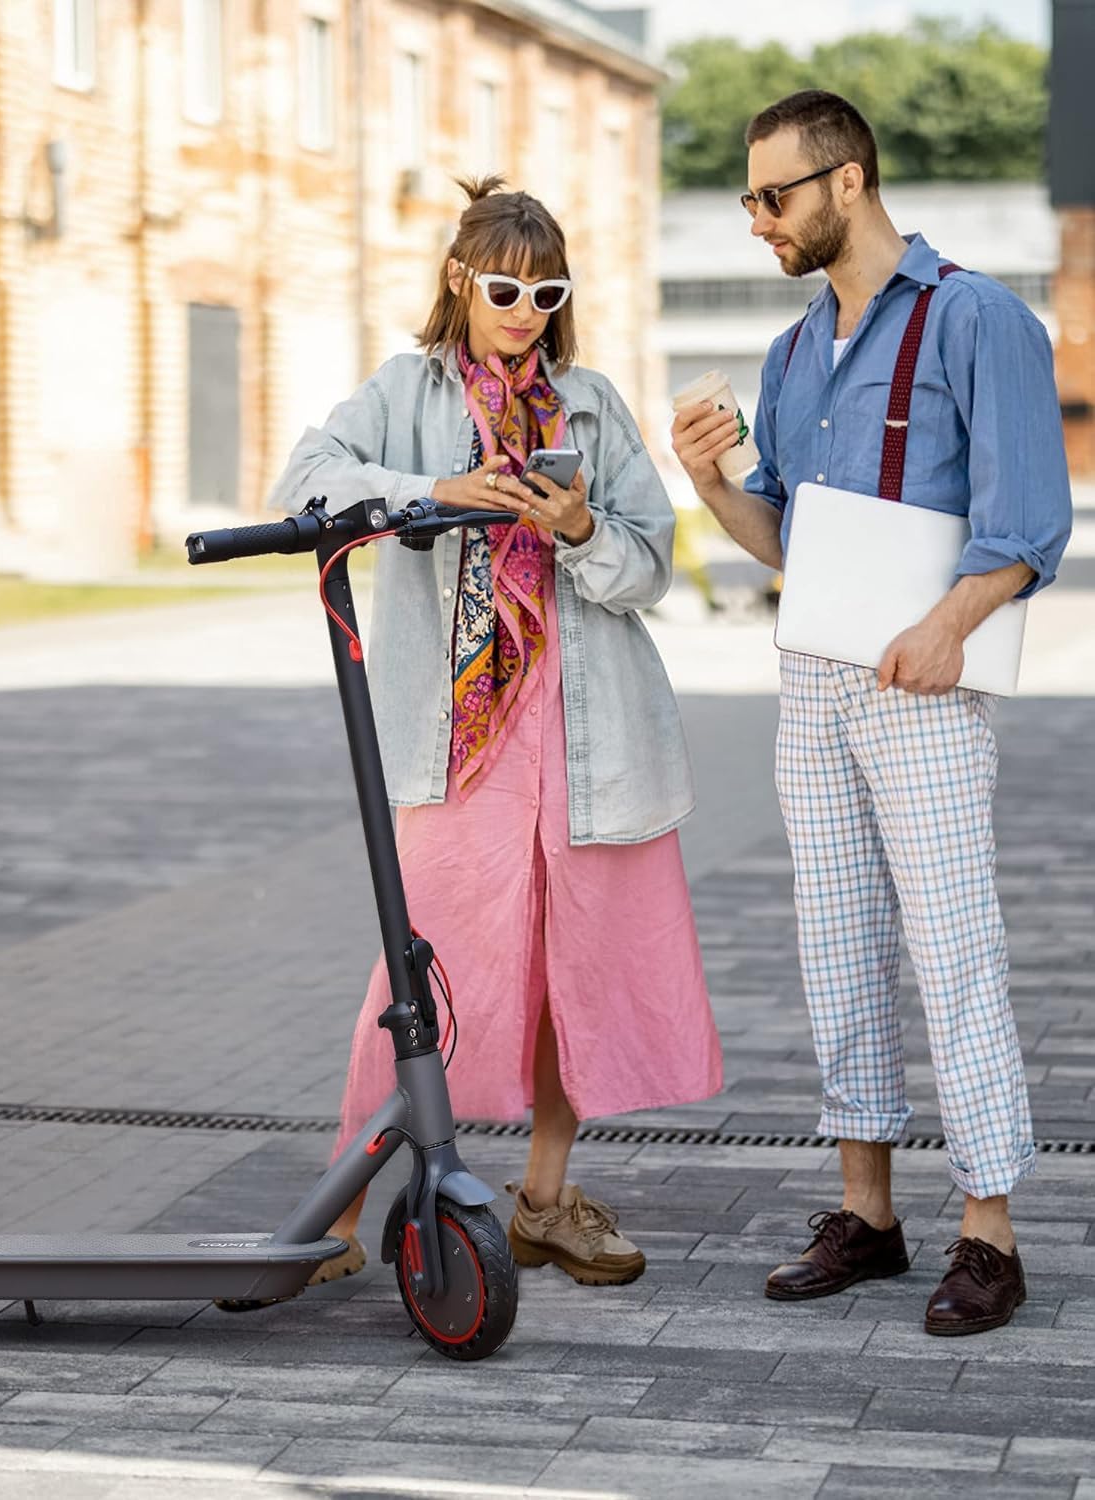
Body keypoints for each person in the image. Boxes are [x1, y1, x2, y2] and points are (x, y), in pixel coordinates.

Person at [268, 176, 722, 1290]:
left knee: (579, 969)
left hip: (592, 733)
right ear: (462, 283)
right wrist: (432, 486)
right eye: (506, 287)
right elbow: (308, 482)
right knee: (419, 971)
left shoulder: (594, 406)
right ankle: (342, 1208)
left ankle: (546, 1201)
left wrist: (578, 529)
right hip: (459, 743)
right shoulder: (404, 391)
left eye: (547, 290)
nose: (526, 310)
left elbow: (650, 565)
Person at [671, 91, 1072, 1336]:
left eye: (773, 197)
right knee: (837, 948)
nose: (758, 222)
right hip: (814, 682)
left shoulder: (979, 320)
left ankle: (989, 1236)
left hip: (929, 687)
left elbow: (1028, 528)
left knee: (954, 952)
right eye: (747, 198)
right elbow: (783, 537)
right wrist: (708, 478)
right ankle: (872, 1218)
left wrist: (947, 627)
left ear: (848, 183)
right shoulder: (793, 355)